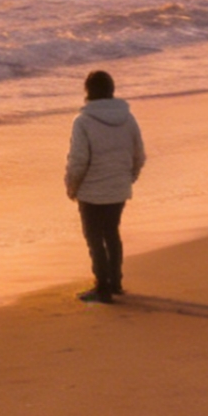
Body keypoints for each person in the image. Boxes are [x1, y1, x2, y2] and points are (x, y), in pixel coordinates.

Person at [65, 69, 144, 303]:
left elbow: (78, 162)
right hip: (118, 188)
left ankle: (102, 286)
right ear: (112, 90)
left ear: (88, 92)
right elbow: (138, 154)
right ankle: (115, 282)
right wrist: (128, 178)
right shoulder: (128, 118)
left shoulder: (83, 121)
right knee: (111, 233)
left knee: (94, 237)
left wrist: (72, 187)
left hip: (91, 190)